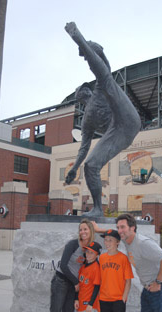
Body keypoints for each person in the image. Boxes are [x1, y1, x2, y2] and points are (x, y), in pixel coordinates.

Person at [64, 22, 141, 217]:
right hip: (117, 132)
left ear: (87, 90)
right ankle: (98, 208)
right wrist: (74, 168)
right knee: (91, 165)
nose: (80, 92)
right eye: (78, 92)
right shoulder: (86, 122)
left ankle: (80, 39)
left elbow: (100, 61)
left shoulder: (99, 88)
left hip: (127, 118)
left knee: (106, 78)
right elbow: (84, 148)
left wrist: (80, 41)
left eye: (82, 89)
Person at [32, 218, 95, 312]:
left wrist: (77, 292)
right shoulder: (73, 244)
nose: (82, 232)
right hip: (61, 282)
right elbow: (64, 266)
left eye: (85, 229)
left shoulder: (90, 250)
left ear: (91, 231)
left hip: (73, 287)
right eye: (81, 229)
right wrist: (76, 283)